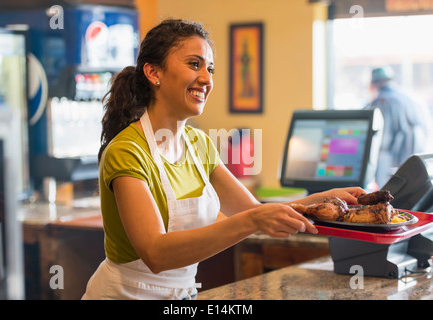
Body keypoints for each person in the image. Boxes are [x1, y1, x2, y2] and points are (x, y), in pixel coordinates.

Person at [82, 18, 365, 300]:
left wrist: (323, 200)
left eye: (210, 68)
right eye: (194, 64)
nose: (206, 78)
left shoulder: (199, 145)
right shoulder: (126, 152)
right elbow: (156, 253)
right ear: (153, 72)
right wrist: (253, 220)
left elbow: (253, 211)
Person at [365, 66, 433, 187]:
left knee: (386, 196)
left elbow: (382, 141)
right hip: (414, 160)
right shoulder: (410, 98)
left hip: (391, 159)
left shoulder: (383, 101)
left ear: (374, 83)